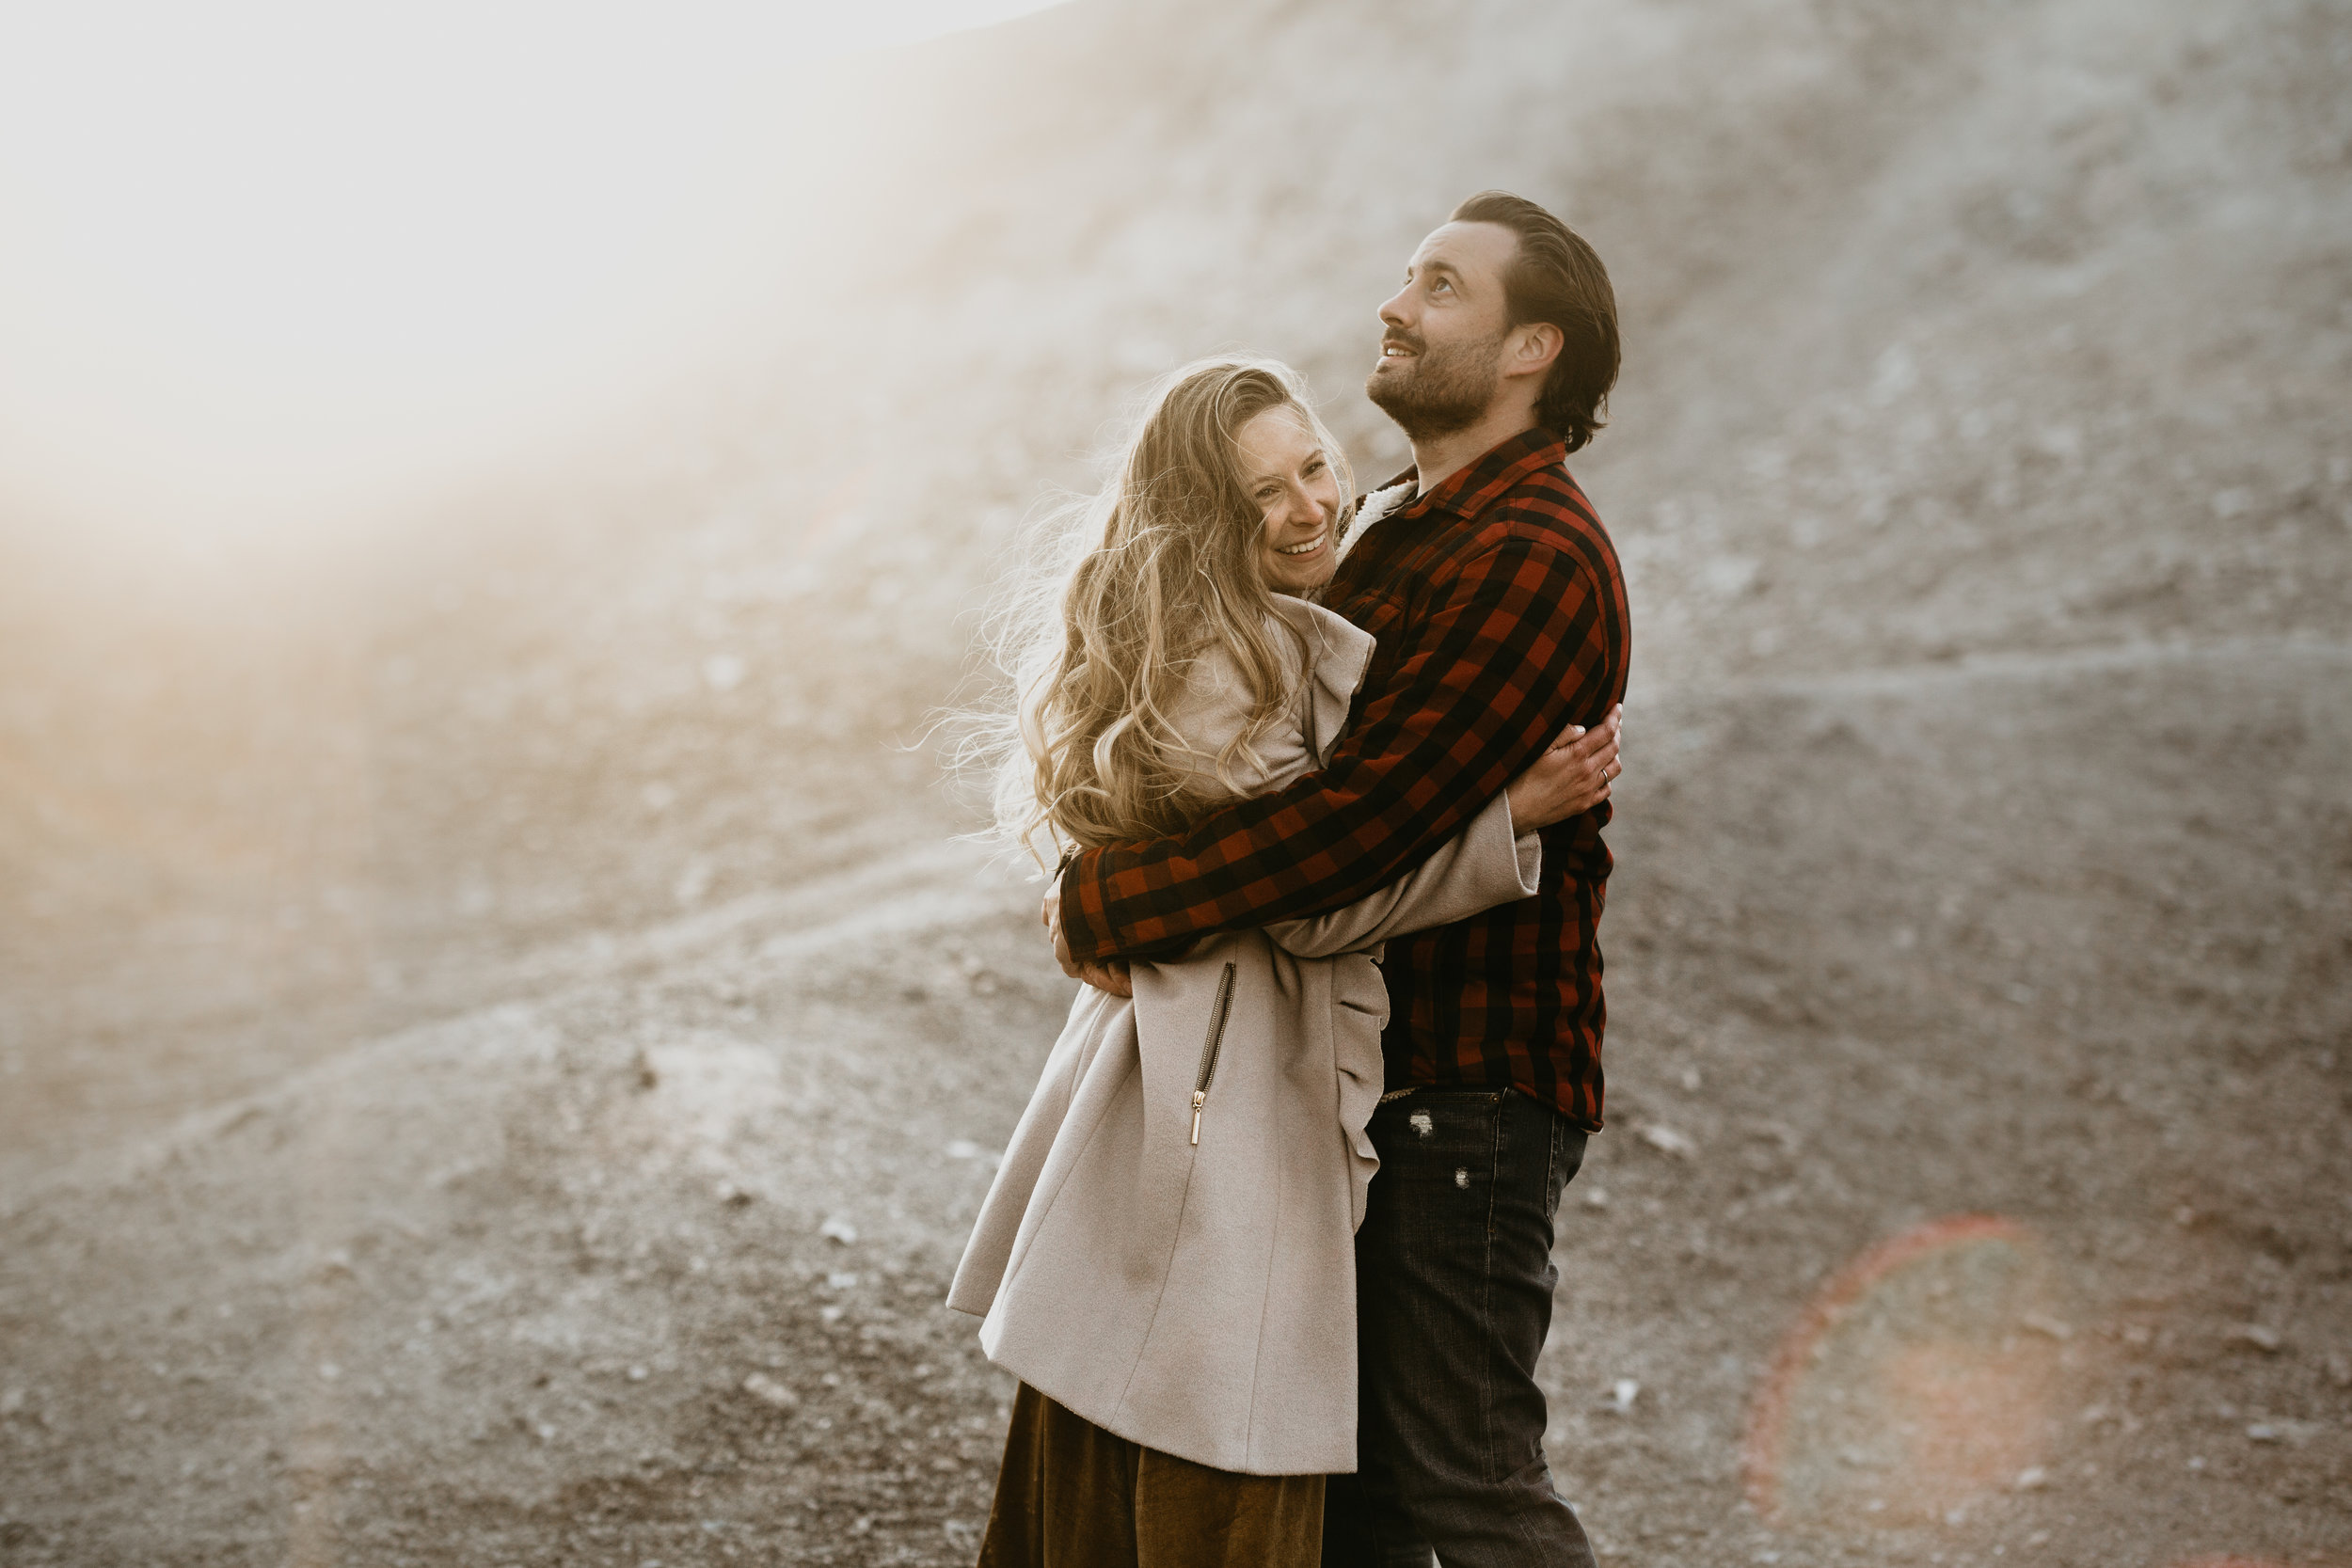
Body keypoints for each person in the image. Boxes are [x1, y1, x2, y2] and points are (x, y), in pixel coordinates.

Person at [947, 355, 1619, 1567]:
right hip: (1228, 1071)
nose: (1310, 506)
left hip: (1209, 1051)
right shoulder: (1231, 660)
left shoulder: (1256, 617)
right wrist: (1505, 820)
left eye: (1315, 467)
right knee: (1241, 1413)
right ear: (1208, 520)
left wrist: (1105, 901)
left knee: (1227, 1420)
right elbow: (1317, 894)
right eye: (1265, 495)